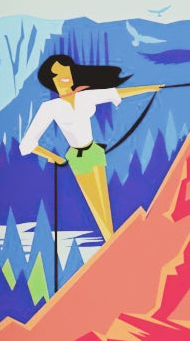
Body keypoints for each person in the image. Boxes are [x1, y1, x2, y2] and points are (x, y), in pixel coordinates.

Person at [19, 53, 160, 242]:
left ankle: (111, 241)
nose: (65, 74)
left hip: (93, 151)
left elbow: (115, 93)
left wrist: (151, 88)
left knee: (103, 201)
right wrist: (52, 156)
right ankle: (110, 242)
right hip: (77, 157)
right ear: (51, 80)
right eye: (58, 72)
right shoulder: (50, 107)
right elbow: (27, 143)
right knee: (94, 202)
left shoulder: (85, 96)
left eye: (66, 69)